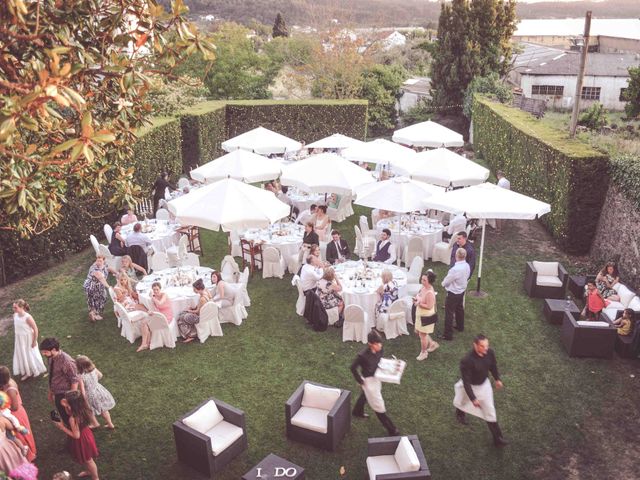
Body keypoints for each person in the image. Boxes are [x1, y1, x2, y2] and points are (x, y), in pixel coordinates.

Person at [453, 334, 508, 447]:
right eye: (482, 346)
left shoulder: (490, 352)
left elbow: (493, 366)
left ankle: (498, 439)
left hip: (484, 386)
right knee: (462, 402)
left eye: (486, 345)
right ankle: (460, 414)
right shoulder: (467, 360)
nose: (486, 349)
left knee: (490, 412)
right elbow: (466, 382)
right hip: (470, 386)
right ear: (475, 345)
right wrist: (473, 398)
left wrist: (497, 379)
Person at [351, 330, 400, 436]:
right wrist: (360, 380)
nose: (380, 345)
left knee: (365, 395)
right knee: (378, 405)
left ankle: (357, 411)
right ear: (370, 344)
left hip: (377, 376)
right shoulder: (362, 356)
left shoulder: (380, 350)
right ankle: (392, 429)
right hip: (368, 381)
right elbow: (352, 368)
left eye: (380, 343)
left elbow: (379, 360)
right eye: (377, 344)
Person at [52, 390, 100, 480]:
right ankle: (89, 471)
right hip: (86, 434)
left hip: (81, 439)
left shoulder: (73, 418)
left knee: (89, 461)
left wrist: (62, 427)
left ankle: (95, 478)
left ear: (72, 404)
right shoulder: (83, 409)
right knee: (86, 460)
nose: (64, 400)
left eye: (66, 400)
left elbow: (76, 435)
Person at [40, 338, 79, 427]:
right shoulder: (51, 358)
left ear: (54, 350)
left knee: (68, 414)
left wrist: (71, 400)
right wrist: (51, 391)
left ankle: (73, 429)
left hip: (65, 393)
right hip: (56, 391)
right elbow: (52, 375)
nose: (43, 354)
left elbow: (74, 379)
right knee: (61, 411)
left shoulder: (66, 361)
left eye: (45, 352)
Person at [0, 366, 37, 461]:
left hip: (16, 414)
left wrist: (3, 407)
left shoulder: (10, 389)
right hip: (9, 412)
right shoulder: (5, 383)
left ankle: (29, 454)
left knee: (20, 435)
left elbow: (15, 407)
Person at [75, 356, 116, 430]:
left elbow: (82, 390)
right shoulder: (93, 369)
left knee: (88, 410)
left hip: (90, 394)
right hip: (99, 390)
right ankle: (110, 424)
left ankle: (94, 423)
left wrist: (84, 399)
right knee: (104, 409)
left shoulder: (80, 376)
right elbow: (100, 375)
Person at [11, 300, 46, 381]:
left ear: (22, 307)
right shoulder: (15, 315)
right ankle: (27, 370)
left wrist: (34, 341)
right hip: (20, 339)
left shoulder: (27, 317)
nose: (14, 309)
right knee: (22, 354)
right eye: (13, 307)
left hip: (28, 339)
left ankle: (34, 369)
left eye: (15, 307)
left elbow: (35, 329)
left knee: (30, 354)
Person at [442, 248, 470, 341]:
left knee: (449, 313)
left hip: (453, 293)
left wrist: (443, 284)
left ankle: (448, 335)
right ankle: (460, 326)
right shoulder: (467, 266)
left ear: (456, 256)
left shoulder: (455, 269)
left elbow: (446, 281)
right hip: (461, 291)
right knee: (459, 309)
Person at [413, 271, 440, 360]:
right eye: (422, 279)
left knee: (422, 336)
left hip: (426, 317)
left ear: (429, 281)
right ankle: (432, 344)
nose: (422, 281)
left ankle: (424, 353)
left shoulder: (430, 293)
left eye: (424, 280)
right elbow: (420, 294)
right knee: (419, 332)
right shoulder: (423, 287)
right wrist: (417, 298)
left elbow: (429, 306)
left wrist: (419, 303)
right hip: (420, 314)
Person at [176, 279, 211, 344]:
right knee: (183, 314)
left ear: (198, 289)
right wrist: (192, 308)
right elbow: (201, 307)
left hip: (200, 317)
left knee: (180, 318)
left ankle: (190, 335)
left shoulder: (202, 299)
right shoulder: (206, 292)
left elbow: (197, 312)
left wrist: (189, 310)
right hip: (204, 314)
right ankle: (191, 332)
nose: (193, 290)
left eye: (194, 289)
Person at [83, 255, 116, 322]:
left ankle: (93, 313)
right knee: (101, 298)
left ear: (104, 261)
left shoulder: (104, 266)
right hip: (92, 286)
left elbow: (109, 268)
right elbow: (101, 278)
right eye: (97, 260)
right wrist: (108, 286)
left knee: (94, 300)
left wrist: (117, 273)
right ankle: (96, 314)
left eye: (100, 261)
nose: (98, 262)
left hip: (97, 286)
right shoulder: (94, 268)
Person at [0, 391, 30, 458]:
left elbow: (13, 419)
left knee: (13, 439)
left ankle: (23, 448)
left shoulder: (4, 413)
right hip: (5, 430)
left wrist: (18, 427)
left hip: (7, 430)